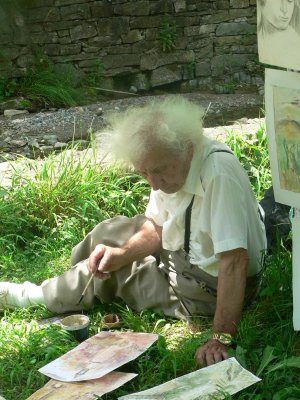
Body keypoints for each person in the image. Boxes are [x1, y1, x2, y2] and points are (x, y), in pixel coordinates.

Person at [0, 97, 266, 366]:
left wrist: (220, 337)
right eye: (144, 173)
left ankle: (32, 296)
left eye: (159, 171)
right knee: (108, 233)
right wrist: (121, 253)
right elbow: (157, 225)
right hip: (183, 251)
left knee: (117, 275)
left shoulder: (218, 174)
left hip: (207, 287)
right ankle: (73, 284)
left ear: (187, 147)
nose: (153, 183)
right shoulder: (169, 164)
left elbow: (234, 261)